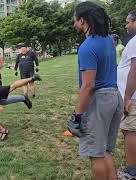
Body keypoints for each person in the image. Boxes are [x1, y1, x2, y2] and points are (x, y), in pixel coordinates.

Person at [67, 2, 123, 179]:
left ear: (82, 21)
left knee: (96, 155)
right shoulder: (108, 40)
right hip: (115, 96)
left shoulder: (87, 47)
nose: (74, 23)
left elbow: (88, 86)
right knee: (105, 150)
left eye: (75, 20)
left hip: (100, 102)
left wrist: (77, 115)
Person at [117, 10, 136, 179]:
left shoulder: (135, 41)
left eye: (128, 22)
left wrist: (128, 97)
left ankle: (132, 172)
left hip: (133, 96)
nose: (126, 25)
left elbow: (134, 70)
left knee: (130, 131)